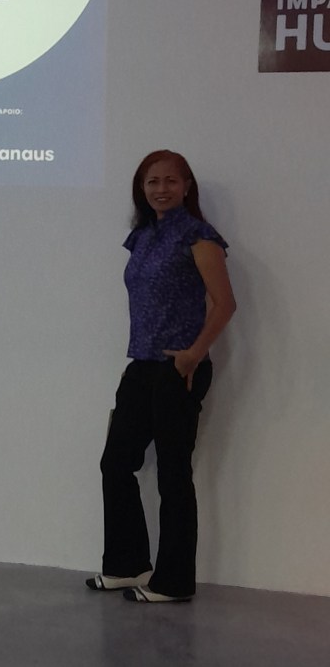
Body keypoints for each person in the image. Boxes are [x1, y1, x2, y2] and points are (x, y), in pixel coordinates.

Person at [86, 150, 236, 603]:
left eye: (170, 180)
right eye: (152, 182)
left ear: (187, 186)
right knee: (116, 462)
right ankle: (127, 565)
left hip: (178, 368)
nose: (161, 189)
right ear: (142, 188)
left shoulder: (198, 236)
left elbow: (225, 303)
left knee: (173, 474)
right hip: (142, 365)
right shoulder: (143, 236)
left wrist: (192, 355)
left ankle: (173, 582)